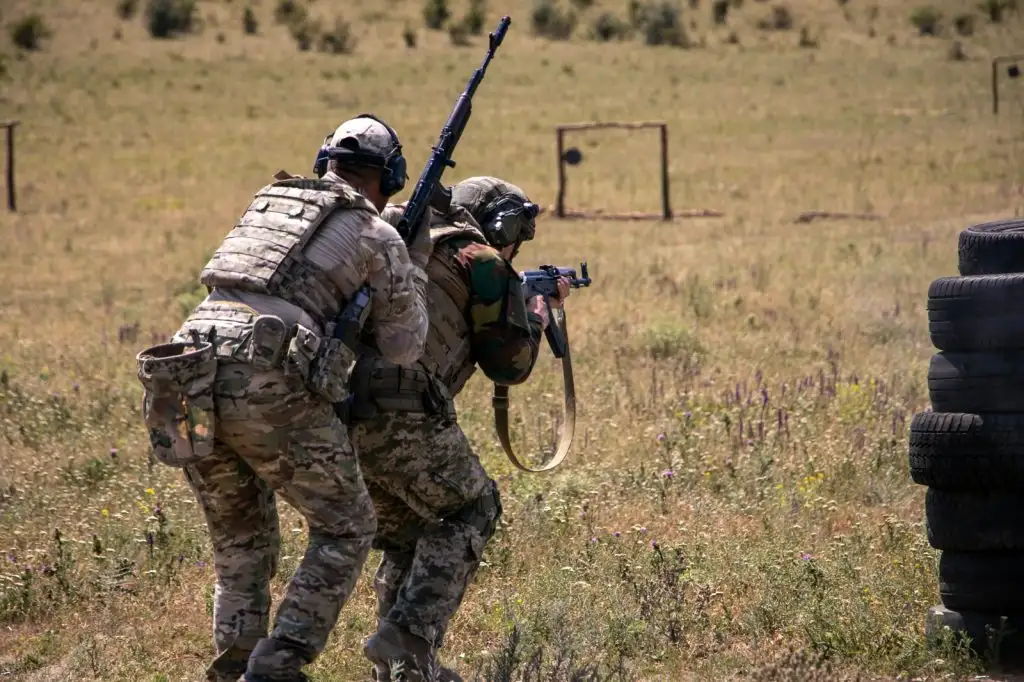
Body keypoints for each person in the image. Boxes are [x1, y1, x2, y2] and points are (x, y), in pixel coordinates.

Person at [140, 114, 433, 682]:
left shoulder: (270, 205)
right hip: (264, 374)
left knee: (240, 540)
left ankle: (234, 666)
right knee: (346, 526)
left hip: (184, 373)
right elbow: (404, 347)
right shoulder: (379, 235)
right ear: (392, 177)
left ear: (325, 164)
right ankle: (278, 662)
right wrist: (411, 261)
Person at [347, 176, 571, 682]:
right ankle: (408, 637)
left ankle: (405, 670)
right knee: (474, 507)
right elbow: (509, 366)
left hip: (337, 411)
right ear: (501, 223)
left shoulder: (401, 240)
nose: (516, 246)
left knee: (413, 533)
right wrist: (536, 314)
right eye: (519, 233)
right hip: (400, 407)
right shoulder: (480, 261)